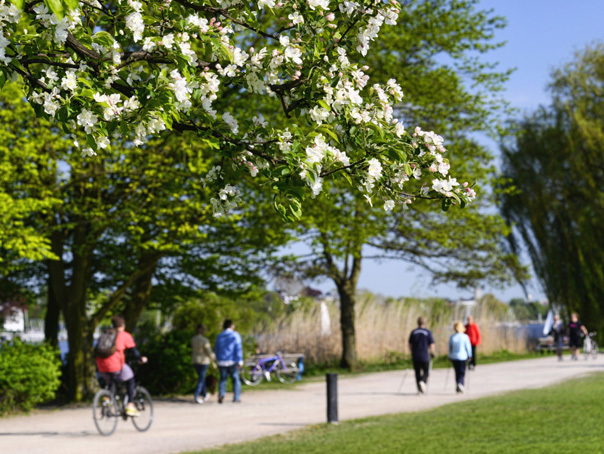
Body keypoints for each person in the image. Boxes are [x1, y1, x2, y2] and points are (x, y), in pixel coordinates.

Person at [96, 315, 147, 416]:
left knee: (111, 381)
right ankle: (130, 406)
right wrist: (140, 359)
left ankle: (106, 399)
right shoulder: (124, 335)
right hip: (116, 365)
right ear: (123, 325)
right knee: (130, 379)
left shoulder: (105, 334)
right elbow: (134, 351)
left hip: (101, 366)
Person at [214, 319, 243, 403]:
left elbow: (216, 348)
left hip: (222, 361)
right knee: (235, 379)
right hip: (232, 361)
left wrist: (217, 358)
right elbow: (238, 348)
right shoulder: (235, 335)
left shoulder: (220, 336)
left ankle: (221, 394)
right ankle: (236, 397)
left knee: (223, 379)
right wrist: (240, 360)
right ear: (231, 326)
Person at [408, 316, 435, 394]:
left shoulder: (413, 332)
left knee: (417, 372)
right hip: (424, 355)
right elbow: (432, 344)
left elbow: (410, 344)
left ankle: (419, 389)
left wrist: (411, 352)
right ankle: (423, 382)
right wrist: (432, 352)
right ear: (424, 323)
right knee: (426, 371)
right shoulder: (428, 332)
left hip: (415, 355)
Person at [192, 323, 216, 404]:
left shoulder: (193, 339)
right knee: (201, 379)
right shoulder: (205, 340)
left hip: (195, 360)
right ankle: (196, 395)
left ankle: (204, 394)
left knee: (201, 377)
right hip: (203, 361)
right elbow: (209, 352)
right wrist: (214, 358)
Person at [448, 321, 472, 394]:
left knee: (457, 372)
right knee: (462, 372)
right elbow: (468, 347)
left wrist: (450, 356)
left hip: (454, 357)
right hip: (462, 357)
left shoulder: (452, 337)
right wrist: (470, 355)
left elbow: (450, 348)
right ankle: (460, 384)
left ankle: (458, 385)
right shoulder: (465, 337)